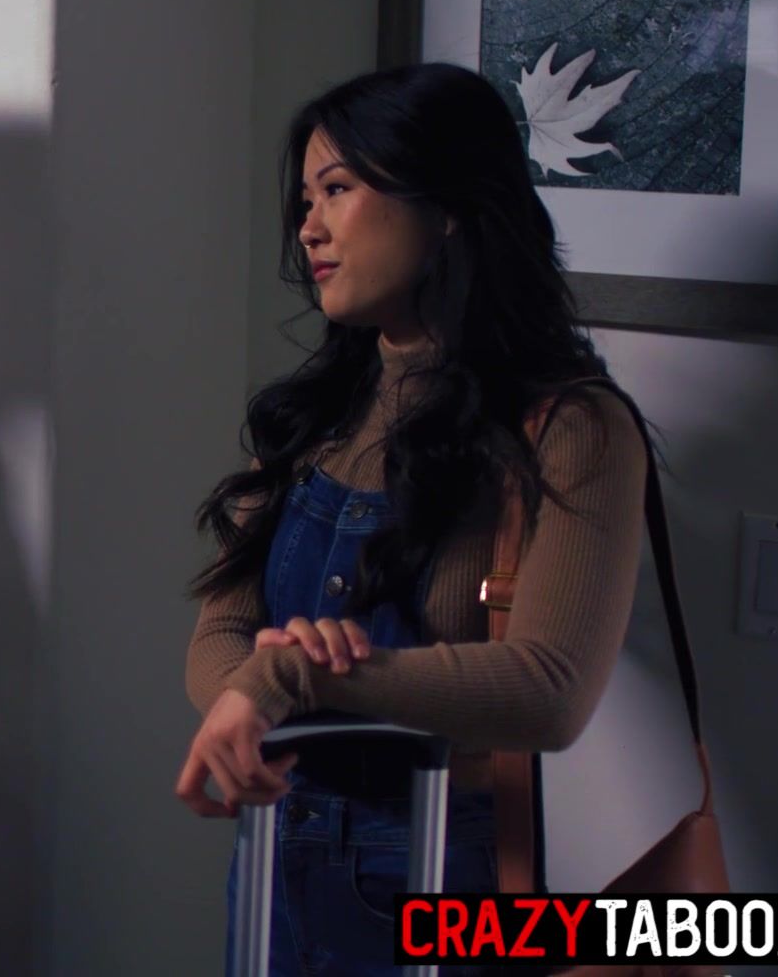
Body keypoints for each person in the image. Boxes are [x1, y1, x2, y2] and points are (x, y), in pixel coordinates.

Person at [176, 62, 652, 975]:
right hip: (273, 855)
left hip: (434, 874)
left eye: (337, 190)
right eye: (305, 199)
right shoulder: (306, 419)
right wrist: (256, 694)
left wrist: (295, 678)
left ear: (447, 208)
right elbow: (220, 634)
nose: (307, 227)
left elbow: (549, 689)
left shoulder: (570, 427)